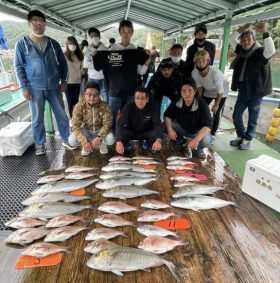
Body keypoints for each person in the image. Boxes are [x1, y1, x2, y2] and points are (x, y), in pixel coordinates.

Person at [14, 10, 74, 156]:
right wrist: (24, 87)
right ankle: (40, 144)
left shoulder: (53, 44)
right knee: (37, 118)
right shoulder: (22, 44)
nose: (38, 25)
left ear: (45, 24)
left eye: (41, 22)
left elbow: (63, 65)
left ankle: (66, 139)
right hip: (34, 88)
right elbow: (18, 66)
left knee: (61, 115)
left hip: (54, 87)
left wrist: (64, 81)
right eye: (35, 22)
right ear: (29, 24)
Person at [93, 20, 150, 130]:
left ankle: (125, 137)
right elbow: (99, 68)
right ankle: (113, 136)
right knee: (112, 115)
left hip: (130, 91)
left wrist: (148, 60)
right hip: (114, 90)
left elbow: (141, 72)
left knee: (128, 115)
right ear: (119, 33)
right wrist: (96, 56)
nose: (126, 34)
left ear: (132, 33)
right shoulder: (112, 49)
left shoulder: (136, 51)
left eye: (129, 31)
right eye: (123, 31)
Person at [229, 22, 275, 150]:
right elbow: (232, 37)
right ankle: (240, 136)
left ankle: (247, 139)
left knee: (252, 117)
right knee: (236, 115)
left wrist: (265, 32)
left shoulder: (261, 52)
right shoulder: (240, 50)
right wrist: (243, 27)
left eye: (248, 39)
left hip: (257, 91)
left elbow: (271, 50)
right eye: (243, 40)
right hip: (243, 90)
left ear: (254, 40)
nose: (245, 42)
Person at [164, 78, 212, 159]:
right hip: (183, 129)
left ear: (195, 91)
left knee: (207, 140)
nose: (187, 93)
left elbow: (208, 125)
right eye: (184, 91)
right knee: (166, 126)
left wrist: (197, 139)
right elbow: (167, 115)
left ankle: (198, 149)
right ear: (180, 92)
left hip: (197, 131)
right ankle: (183, 143)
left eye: (190, 90)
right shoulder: (177, 101)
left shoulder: (202, 104)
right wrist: (170, 130)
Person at [192, 50, 228, 144]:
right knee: (201, 108)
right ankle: (200, 128)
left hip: (221, 89)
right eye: (198, 61)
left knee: (216, 111)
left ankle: (212, 134)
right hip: (208, 88)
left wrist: (216, 104)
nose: (201, 63)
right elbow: (199, 88)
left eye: (204, 61)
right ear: (195, 61)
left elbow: (220, 91)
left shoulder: (215, 73)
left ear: (208, 61)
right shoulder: (194, 73)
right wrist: (199, 101)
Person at [68, 82, 114, 156]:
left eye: (95, 95)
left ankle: (101, 144)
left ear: (99, 95)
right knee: (71, 140)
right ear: (84, 94)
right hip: (86, 131)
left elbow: (108, 124)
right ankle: (87, 146)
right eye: (89, 94)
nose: (92, 98)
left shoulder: (104, 106)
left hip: (100, 131)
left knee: (111, 139)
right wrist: (84, 142)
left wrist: (99, 138)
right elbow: (75, 126)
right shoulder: (79, 106)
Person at [115, 87, 163, 154]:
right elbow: (119, 123)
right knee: (121, 130)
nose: (139, 101)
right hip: (131, 132)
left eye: (142, 98)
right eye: (137, 98)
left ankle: (148, 143)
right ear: (134, 99)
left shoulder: (153, 108)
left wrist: (158, 140)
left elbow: (158, 124)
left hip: (146, 133)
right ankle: (126, 143)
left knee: (157, 131)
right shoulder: (128, 107)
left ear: (147, 99)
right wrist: (118, 141)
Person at [83, 27, 108, 103]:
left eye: (95, 36)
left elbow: (107, 65)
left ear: (99, 36)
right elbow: (85, 65)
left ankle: (106, 113)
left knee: (106, 97)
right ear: (90, 38)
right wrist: (92, 57)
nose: (94, 38)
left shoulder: (106, 49)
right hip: (92, 78)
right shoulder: (87, 50)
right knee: (92, 99)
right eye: (91, 37)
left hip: (103, 77)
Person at [64, 36, 83, 118]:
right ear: (67, 45)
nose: (72, 45)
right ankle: (72, 120)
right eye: (70, 43)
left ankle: (77, 118)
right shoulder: (64, 55)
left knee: (76, 101)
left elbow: (82, 68)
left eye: (73, 43)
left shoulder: (79, 56)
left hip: (77, 81)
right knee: (70, 102)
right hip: (68, 82)